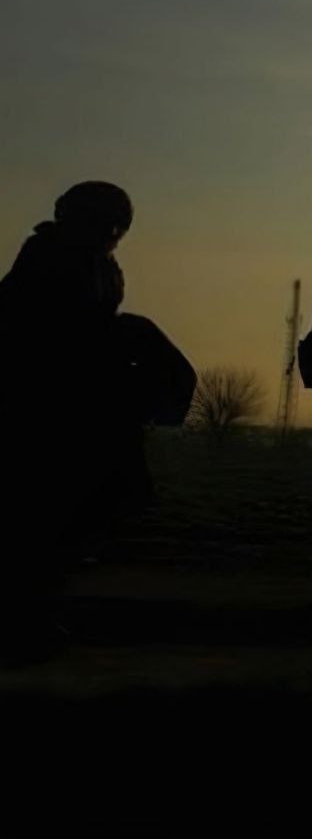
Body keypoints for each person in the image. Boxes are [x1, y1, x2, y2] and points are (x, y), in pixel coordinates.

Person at [0, 181, 134, 663]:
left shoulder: (91, 262)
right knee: (37, 522)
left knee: (58, 522)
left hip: (71, 409)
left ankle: (32, 615)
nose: (114, 235)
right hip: (41, 411)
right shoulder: (51, 261)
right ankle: (22, 621)